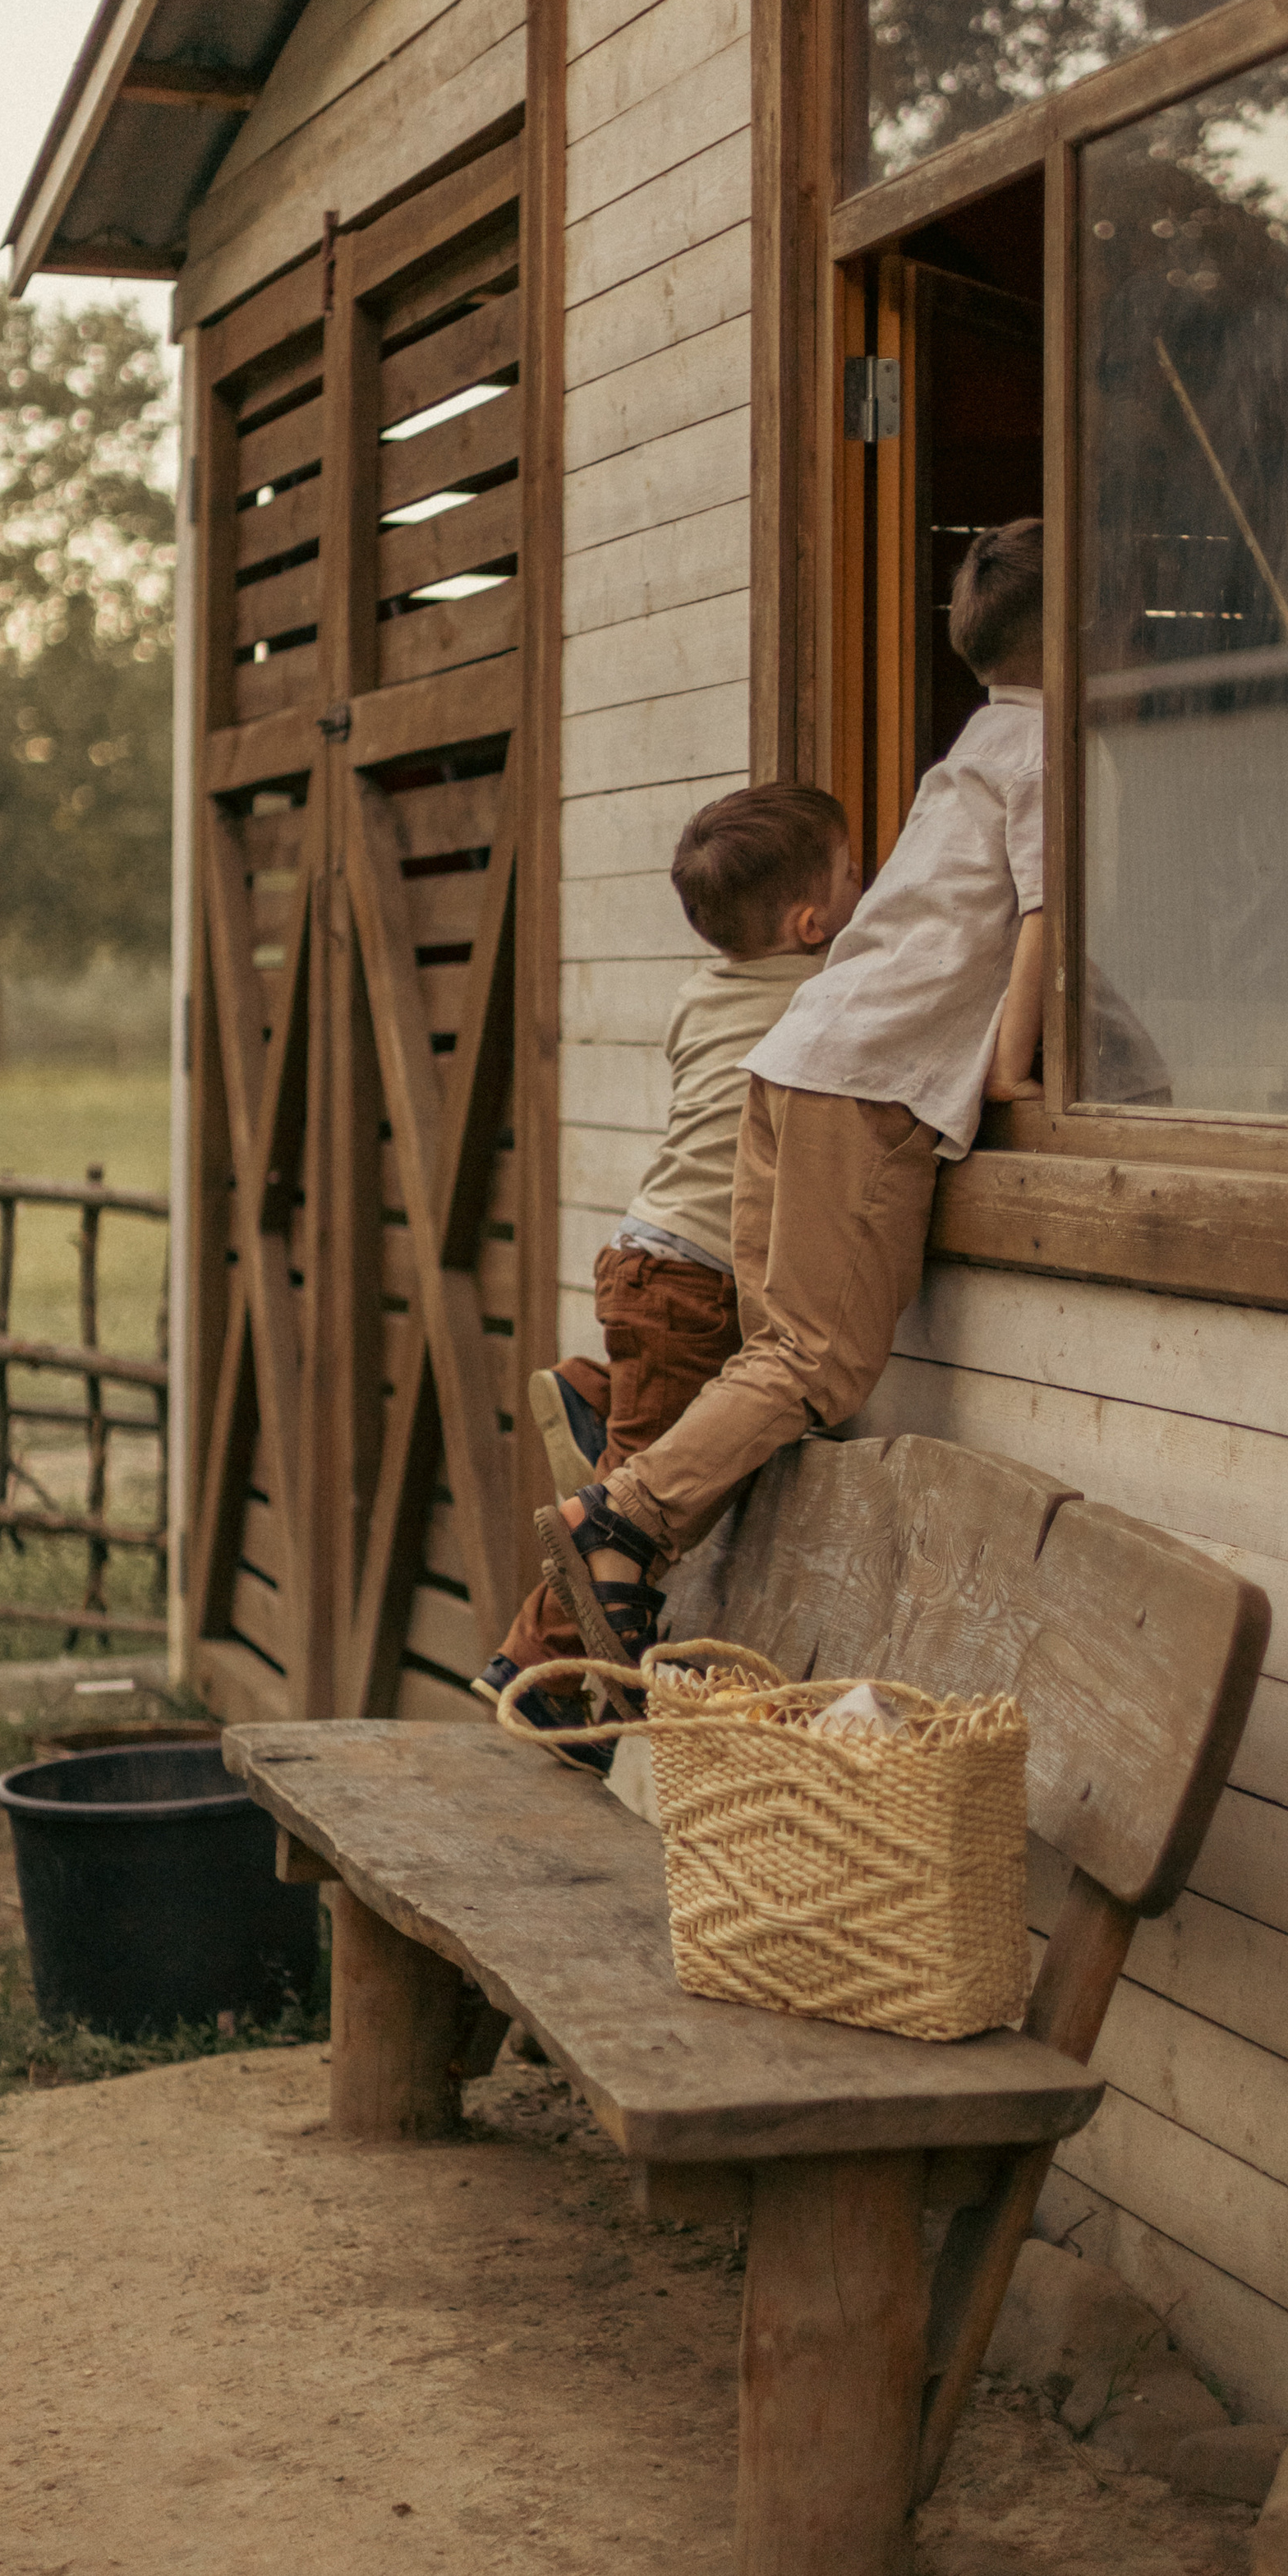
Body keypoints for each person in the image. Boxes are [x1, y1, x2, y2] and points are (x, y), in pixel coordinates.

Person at [537, 518, 1050, 1666]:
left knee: (769, 1362)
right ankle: (621, 1515)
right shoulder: (1051, 755)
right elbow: (1041, 923)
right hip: (859, 1082)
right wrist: (1014, 1070)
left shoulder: (975, 743)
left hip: (798, 1060)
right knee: (814, 1364)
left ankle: (619, 1542)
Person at [473, 778, 860, 1722]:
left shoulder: (701, 994)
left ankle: (598, 1395)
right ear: (813, 923)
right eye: (857, 873)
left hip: (647, 1255)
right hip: (693, 1278)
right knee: (627, 1520)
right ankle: (539, 1681)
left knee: (651, 1455)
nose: (872, 882)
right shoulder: (825, 993)